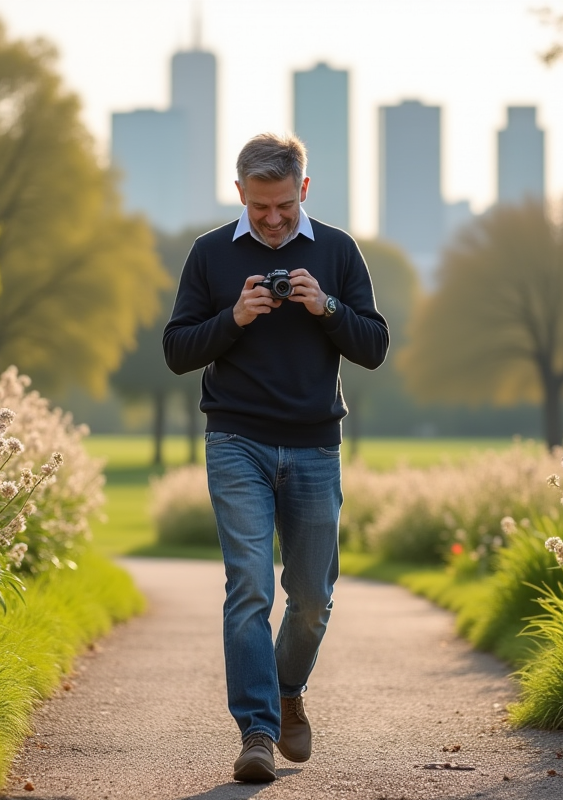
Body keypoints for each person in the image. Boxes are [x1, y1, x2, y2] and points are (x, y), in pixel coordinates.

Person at [162, 132, 389, 783]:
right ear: (240, 193)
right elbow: (177, 350)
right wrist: (234, 318)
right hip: (237, 440)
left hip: (316, 443)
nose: (271, 218)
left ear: (304, 191)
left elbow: (373, 346)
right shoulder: (210, 255)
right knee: (250, 586)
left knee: (313, 595)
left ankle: (289, 692)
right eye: (259, 206)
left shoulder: (339, 250)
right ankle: (257, 731)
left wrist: (328, 308)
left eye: (284, 205)